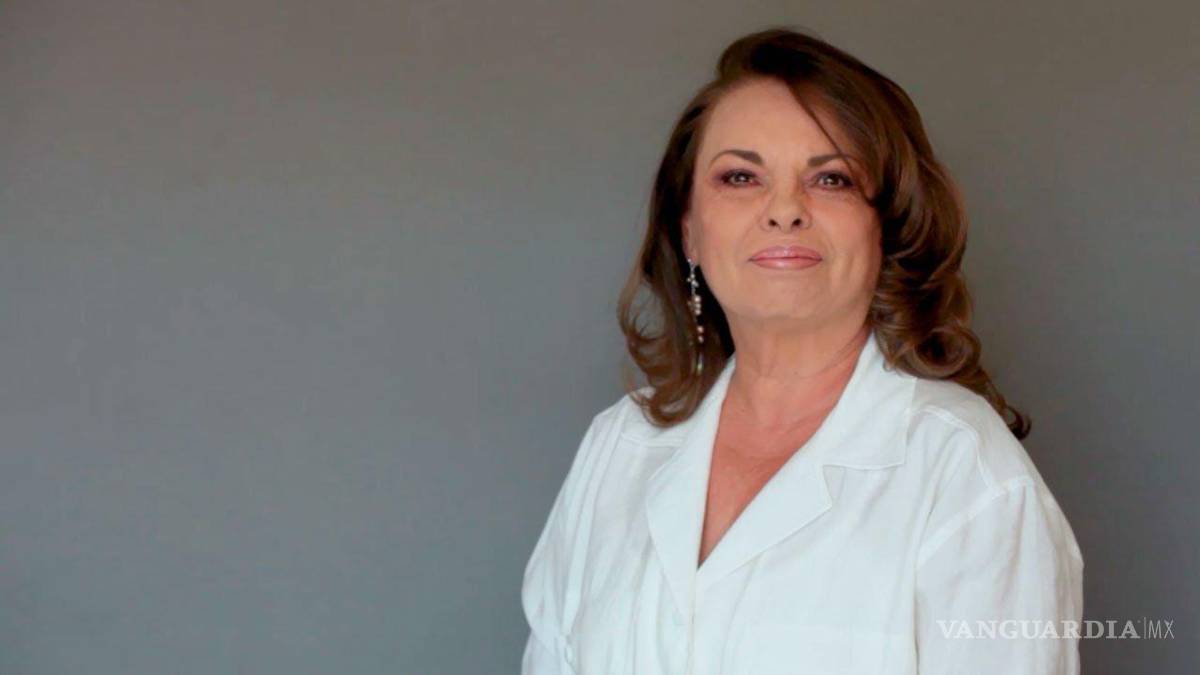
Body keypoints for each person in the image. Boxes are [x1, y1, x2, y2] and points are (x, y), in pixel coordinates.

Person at [520, 26, 1083, 675]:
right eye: (740, 176)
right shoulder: (618, 445)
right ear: (689, 231)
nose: (784, 209)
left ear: (887, 225)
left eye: (832, 179)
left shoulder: (967, 474)